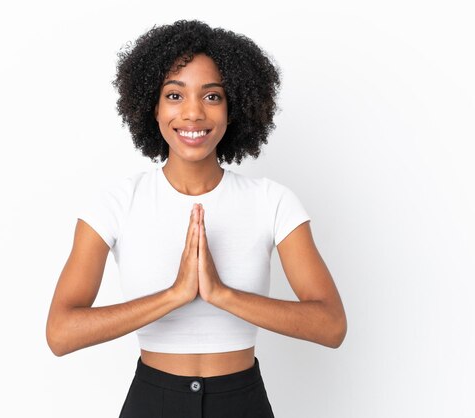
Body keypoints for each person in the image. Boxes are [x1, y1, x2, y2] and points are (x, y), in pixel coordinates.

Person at [46, 19, 347, 417]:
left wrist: (223, 295)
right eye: (174, 95)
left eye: (212, 96)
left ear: (233, 106)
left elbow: (330, 325)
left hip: (242, 402)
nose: (192, 113)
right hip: (153, 401)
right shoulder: (117, 202)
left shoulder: (272, 202)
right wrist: (174, 296)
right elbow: (61, 333)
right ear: (151, 107)